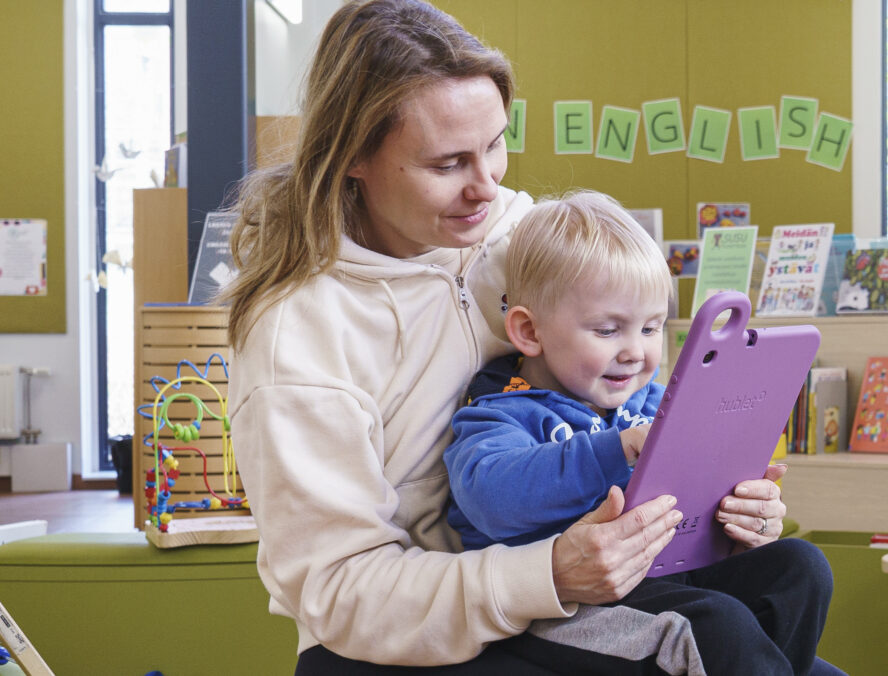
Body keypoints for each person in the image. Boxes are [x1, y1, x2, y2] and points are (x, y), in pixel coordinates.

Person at [221, 1, 822, 673]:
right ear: (353, 155)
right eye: (447, 163)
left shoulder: (513, 237)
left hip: (572, 589)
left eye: (496, 144)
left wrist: (724, 514)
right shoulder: (297, 332)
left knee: (792, 586)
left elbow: (631, 384)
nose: (488, 187)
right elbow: (338, 595)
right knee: (725, 644)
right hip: (403, 643)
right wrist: (549, 575)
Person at [441, 191, 833, 675]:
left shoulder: (653, 402)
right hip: (563, 611)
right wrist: (616, 449)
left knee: (801, 567)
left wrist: (745, 516)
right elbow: (492, 498)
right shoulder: (500, 413)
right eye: (608, 330)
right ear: (529, 331)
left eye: (651, 328)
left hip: (671, 580)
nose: (635, 352)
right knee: (720, 626)